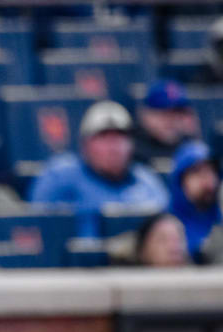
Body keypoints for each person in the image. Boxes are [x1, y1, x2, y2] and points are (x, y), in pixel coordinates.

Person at [29, 100, 168, 237]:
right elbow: (41, 229)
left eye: (120, 137)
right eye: (104, 137)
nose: (114, 147)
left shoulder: (146, 181)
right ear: (84, 144)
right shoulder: (60, 176)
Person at [167, 141, 221, 262]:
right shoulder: (165, 224)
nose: (207, 180)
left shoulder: (220, 219)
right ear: (180, 181)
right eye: (197, 173)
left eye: (211, 171)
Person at [132, 80, 200, 172]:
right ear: (146, 115)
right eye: (164, 114)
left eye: (178, 113)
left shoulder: (189, 147)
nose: (172, 120)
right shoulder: (131, 148)